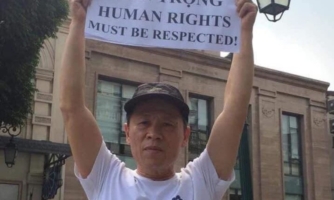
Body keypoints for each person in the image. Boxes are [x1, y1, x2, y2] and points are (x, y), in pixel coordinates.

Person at [59, 0, 257, 199]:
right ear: (127, 131)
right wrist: (77, 22)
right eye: (144, 122)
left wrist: (244, 32)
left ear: (185, 136)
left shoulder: (201, 182)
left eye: (168, 124)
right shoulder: (105, 176)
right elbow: (71, 108)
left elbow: (235, 111)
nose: (154, 133)